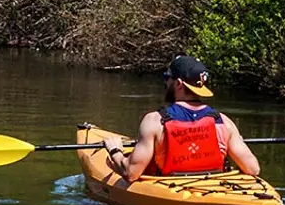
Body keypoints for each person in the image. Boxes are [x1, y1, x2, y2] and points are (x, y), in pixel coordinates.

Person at [102, 54, 260, 182]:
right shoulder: (224, 122)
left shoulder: (155, 121)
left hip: (170, 190)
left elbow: (131, 173)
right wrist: (238, 139)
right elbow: (253, 169)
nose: (165, 83)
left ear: (178, 84)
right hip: (213, 186)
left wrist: (115, 151)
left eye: (167, 78)